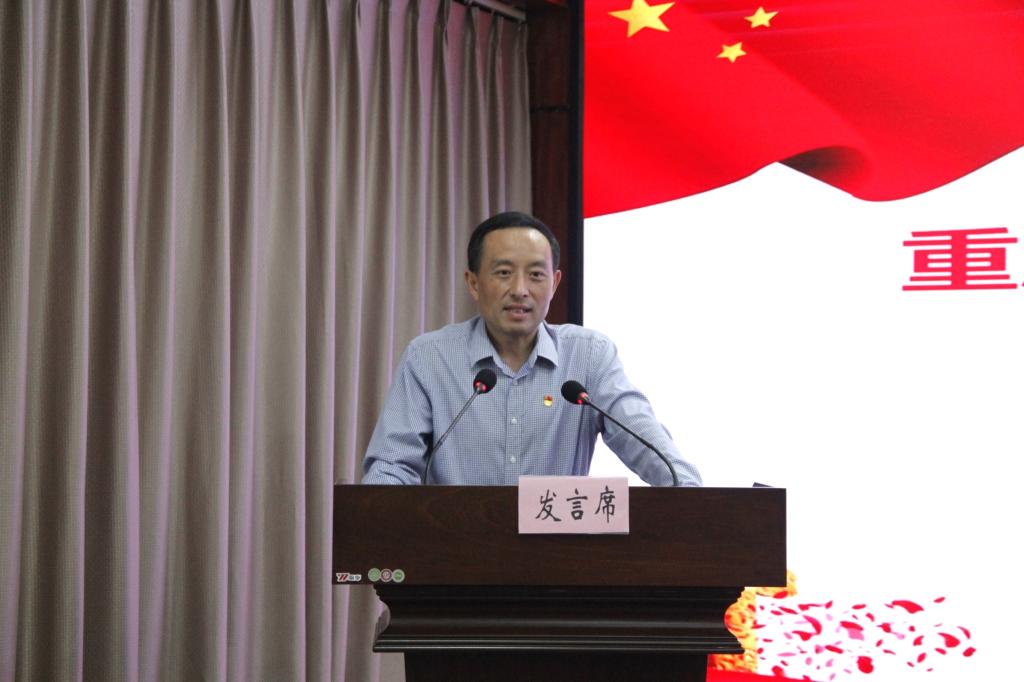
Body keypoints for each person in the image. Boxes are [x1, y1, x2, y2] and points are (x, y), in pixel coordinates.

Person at [361, 211, 701, 486]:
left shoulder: (589, 356)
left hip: (558, 549)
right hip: (456, 547)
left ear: (554, 284)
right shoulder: (429, 358)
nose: (520, 290)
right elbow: (392, 466)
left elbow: (648, 444)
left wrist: (693, 498)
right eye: (504, 273)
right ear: (473, 283)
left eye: (536, 275)